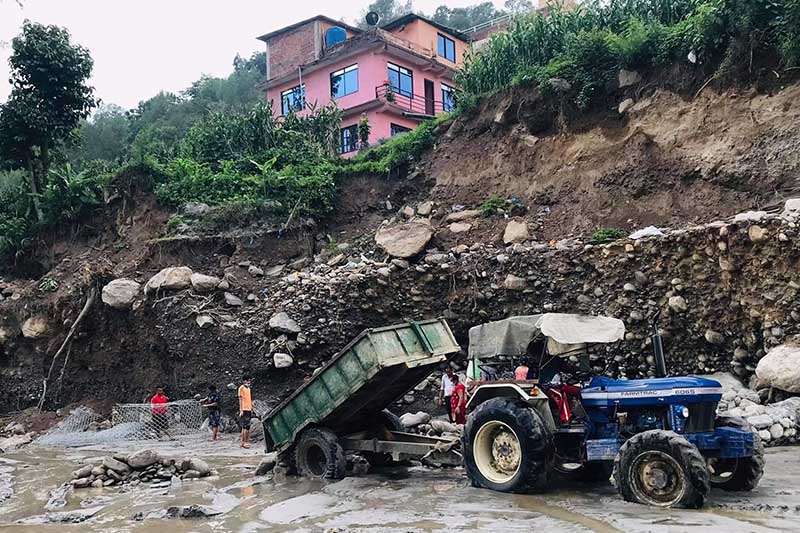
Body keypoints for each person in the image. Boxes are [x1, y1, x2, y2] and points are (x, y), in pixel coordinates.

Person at [238, 376, 253, 449]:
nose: (249, 382)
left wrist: (251, 408)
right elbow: (240, 400)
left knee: (246, 426)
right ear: (244, 381)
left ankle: (243, 441)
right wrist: (241, 410)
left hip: (249, 409)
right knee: (246, 427)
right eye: (248, 381)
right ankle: (245, 442)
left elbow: (249, 399)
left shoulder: (248, 389)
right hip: (244, 409)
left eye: (249, 381)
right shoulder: (241, 388)